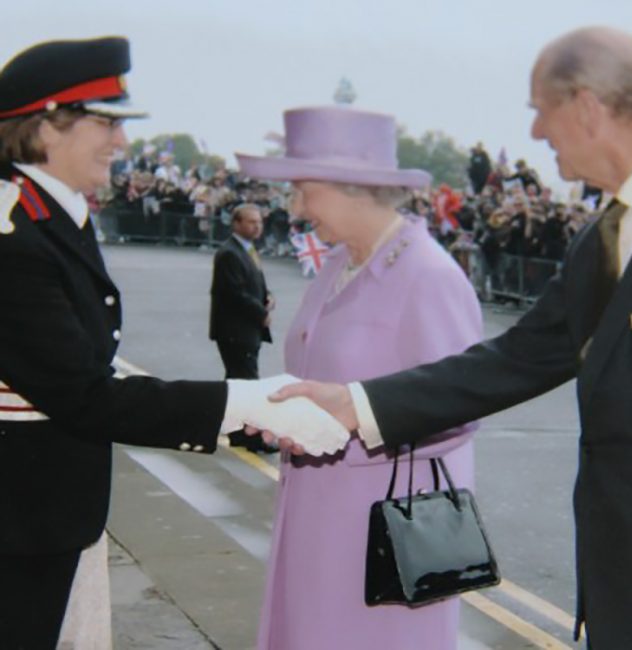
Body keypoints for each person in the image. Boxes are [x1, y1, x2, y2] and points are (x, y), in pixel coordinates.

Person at [266, 27, 632, 650]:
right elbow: (513, 360)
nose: (534, 135)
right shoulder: (604, 237)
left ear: (586, 106)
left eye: (538, 111)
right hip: (623, 586)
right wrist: (357, 403)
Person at [0, 37, 344, 650]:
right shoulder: (13, 234)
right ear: (48, 128)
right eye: (105, 123)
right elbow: (84, 393)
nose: (120, 142)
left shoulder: (48, 215)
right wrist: (246, 404)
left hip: (43, 510)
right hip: (19, 520)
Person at [237, 105, 483, 650]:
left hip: (384, 537)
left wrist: (346, 427)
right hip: (316, 518)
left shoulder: (429, 276)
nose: (296, 209)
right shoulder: (337, 263)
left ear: (353, 187)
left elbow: (458, 411)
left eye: (304, 190)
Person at [210, 202, 277, 453]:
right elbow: (234, 293)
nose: (257, 226)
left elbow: (253, 282)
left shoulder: (246, 250)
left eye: (259, 222)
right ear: (236, 223)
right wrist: (261, 314)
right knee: (248, 383)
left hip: (243, 328)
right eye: (251, 221)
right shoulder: (229, 253)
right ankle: (251, 437)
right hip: (236, 329)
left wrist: (267, 296)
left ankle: (238, 433)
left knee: (237, 382)